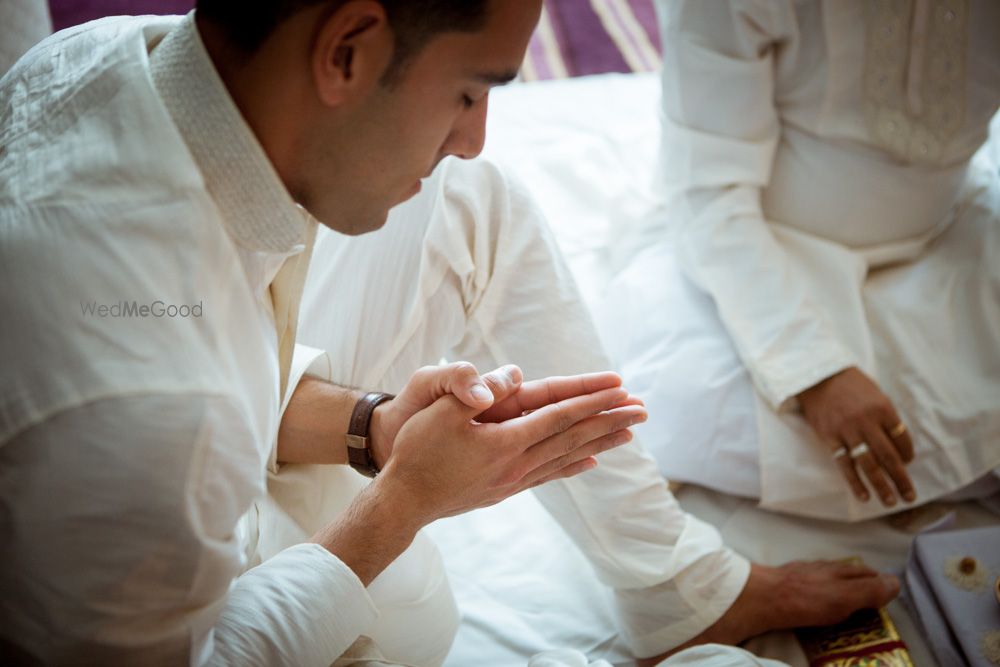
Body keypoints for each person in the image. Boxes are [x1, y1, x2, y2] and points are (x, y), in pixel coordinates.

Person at [0, 1, 897, 664]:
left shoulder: (105, 57)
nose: (473, 136)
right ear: (346, 50)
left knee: (468, 200)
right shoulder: (142, 396)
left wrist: (376, 427)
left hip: (169, 481)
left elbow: (213, 350)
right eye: (470, 92)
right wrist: (405, 501)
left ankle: (675, 589)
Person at [603, 0, 1000, 522]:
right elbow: (708, 195)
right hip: (762, 254)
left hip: (950, 246)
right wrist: (816, 373)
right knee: (673, 414)